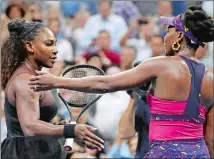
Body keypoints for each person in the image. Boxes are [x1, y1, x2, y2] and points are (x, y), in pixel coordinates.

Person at [29, 5, 214, 158]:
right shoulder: (210, 78)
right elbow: (211, 137)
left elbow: (104, 84)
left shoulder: (160, 65)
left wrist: (57, 81)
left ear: (179, 37)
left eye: (168, 31)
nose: (165, 37)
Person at [1, 19, 104, 159]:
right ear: (30, 46)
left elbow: (31, 121)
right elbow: (30, 127)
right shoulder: (26, 81)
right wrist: (70, 130)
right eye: (48, 44)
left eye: (55, 44)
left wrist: (55, 126)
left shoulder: (32, 77)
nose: (55, 50)